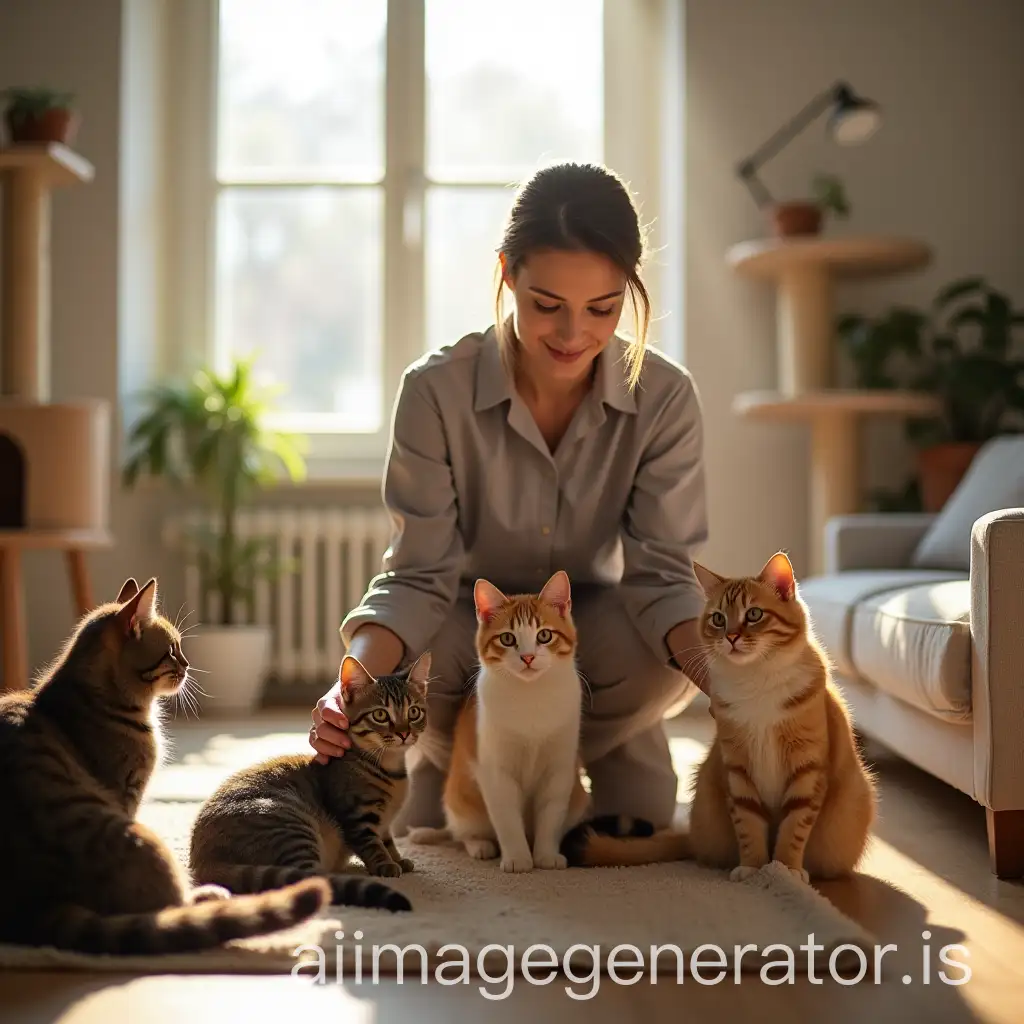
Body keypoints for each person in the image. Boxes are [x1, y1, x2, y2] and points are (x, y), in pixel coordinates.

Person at [308, 161, 709, 834]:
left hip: (597, 642)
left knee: (662, 662)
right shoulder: (434, 391)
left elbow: (664, 576)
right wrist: (345, 695)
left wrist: (723, 681)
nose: (573, 334)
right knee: (415, 667)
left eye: (604, 309)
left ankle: (595, 747)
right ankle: (468, 752)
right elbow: (416, 576)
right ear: (506, 274)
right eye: (546, 305)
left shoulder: (666, 397)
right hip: (466, 643)